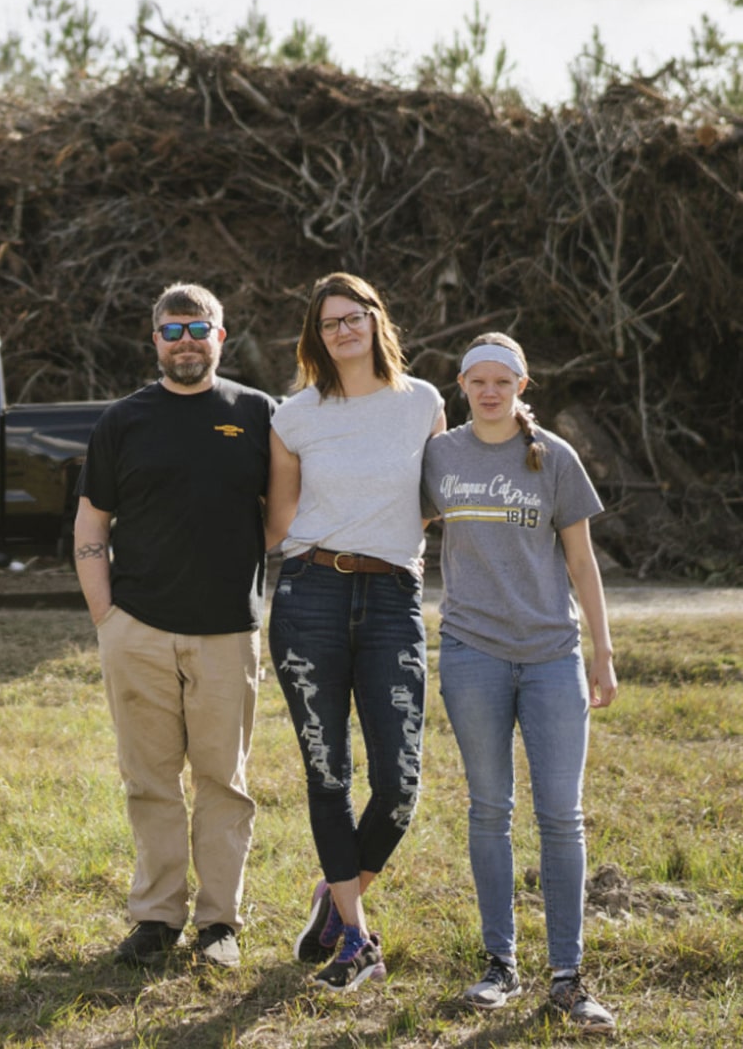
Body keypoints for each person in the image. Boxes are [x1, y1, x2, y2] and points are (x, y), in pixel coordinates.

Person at [74, 282, 276, 969]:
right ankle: (157, 919)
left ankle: (220, 924)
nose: (186, 342)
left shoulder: (256, 413)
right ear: (154, 339)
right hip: (140, 630)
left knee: (225, 781)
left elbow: (279, 515)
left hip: (227, 631)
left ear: (221, 335)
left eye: (200, 329)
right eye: (173, 330)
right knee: (150, 780)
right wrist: (108, 617)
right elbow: (92, 524)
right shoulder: (123, 421)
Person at [421, 331, 618, 1034]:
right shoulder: (439, 455)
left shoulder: (555, 458)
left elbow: (583, 563)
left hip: (551, 656)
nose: (490, 391)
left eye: (503, 380)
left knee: (561, 817)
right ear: (463, 386)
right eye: (478, 380)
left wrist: (603, 651)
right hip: (471, 653)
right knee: (488, 809)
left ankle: (567, 977)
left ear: (522, 387)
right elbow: (402, 527)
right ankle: (498, 966)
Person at [265, 272, 446, 992]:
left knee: (400, 783)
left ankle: (337, 896)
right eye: (330, 322)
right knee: (327, 772)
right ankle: (359, 940)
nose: (344, 330)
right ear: (317, 334)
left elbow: (433, 500)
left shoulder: (423, 402)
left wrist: (383, 538)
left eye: (355, 316)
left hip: (393, 596)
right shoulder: (295, 415)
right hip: (310, 594)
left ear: (376, 320)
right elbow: (279, 522)